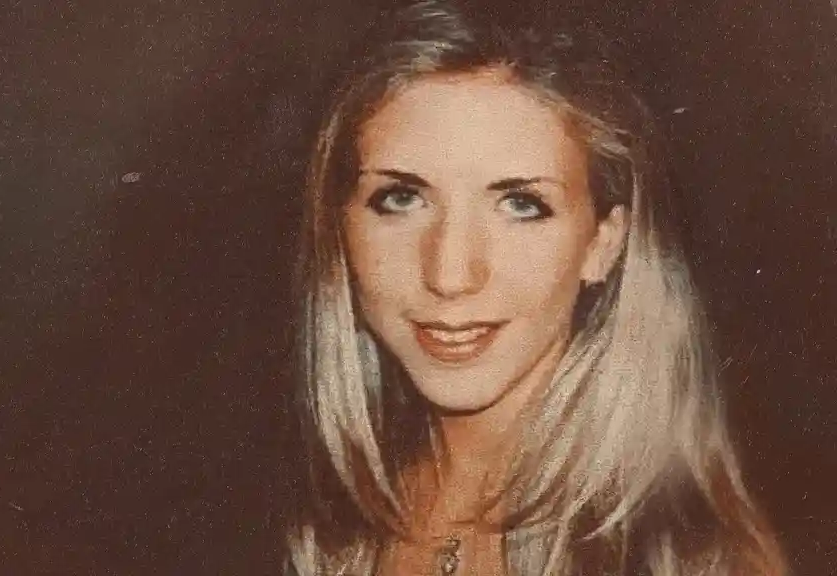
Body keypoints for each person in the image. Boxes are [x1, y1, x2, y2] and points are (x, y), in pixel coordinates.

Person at [283, 0, 788, 574]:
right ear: (339, 226)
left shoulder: (690, 554)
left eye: (521, 205)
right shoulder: (322, 523)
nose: (450, 275)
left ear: (602, 242)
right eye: (401, 198)